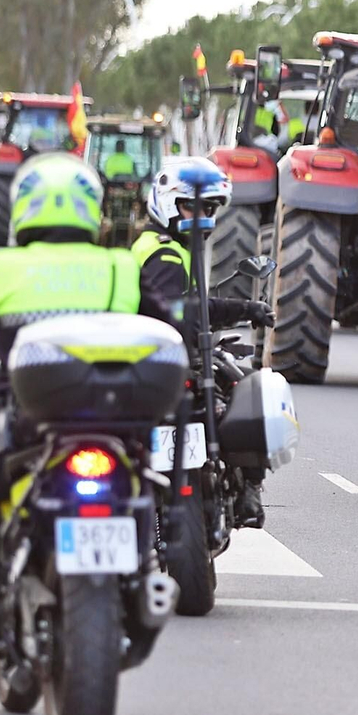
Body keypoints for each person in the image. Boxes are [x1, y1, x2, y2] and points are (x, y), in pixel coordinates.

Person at [0, 153, 181, 669]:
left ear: (23, 209)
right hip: (117, 427)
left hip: (34, 427)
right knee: (143, 484)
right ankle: (145, 576)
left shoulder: (3, 268)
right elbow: (165, 330)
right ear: (90, 209)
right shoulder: (119, 267)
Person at [132, 157, 275, 525]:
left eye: (209, 209)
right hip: (166, 360)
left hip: (148, 361)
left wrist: (244, 308)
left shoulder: (164, 247)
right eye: (190, 207)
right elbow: (182, 312)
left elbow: (195, 306)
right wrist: (243, 309)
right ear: (165, 202)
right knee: (250, 390)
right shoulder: (164, 253)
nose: (201, 217)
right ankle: (249, 490)